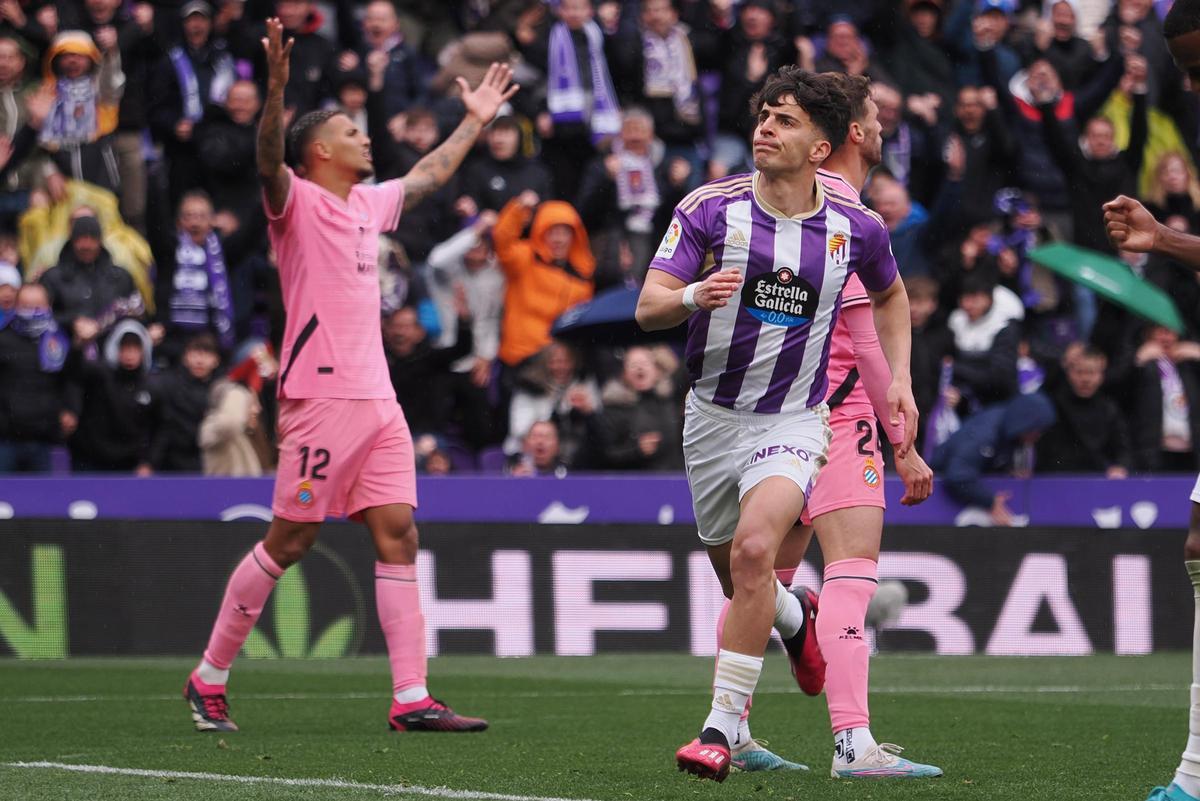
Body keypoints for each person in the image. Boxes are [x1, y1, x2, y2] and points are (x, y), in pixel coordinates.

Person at [182, 18, 514, 735]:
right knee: (291, 539)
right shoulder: (295, 201)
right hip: (321, 398)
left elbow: (426, 176)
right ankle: (208, 676)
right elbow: (269, 157)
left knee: (398, 533)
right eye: (352, 132)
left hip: (378, 401)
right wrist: (273, 92)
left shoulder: (369, 204)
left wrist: (472, 121)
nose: (367, 138)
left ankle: (411, 697)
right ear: (320, 152)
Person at [635, 66, 918, 782]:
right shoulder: (709, 207)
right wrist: (695, 294)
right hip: (711, 421)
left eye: (786, 120)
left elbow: (890, 297)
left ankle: (719, 730)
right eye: (764, 115)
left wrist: (902, 382)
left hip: (795, 418)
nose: (765, 127)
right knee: (745, 580)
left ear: (822, 147)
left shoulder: (855, 226)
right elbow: (648, 306)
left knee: (757, 549)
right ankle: (796, 619)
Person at [712, 71, 940, 777]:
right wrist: (901, 438)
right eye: (874, 113)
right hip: (832, 410)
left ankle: (738, 726)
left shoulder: (808, 201)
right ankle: (852, 742)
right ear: (853, 134)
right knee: (853, 572)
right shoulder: (841, 214)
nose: (880, 123)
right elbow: (867, 334)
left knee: (760, 581)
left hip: (772, 413)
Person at [0, 282, 70, 473]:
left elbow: (71, 381)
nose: (32, 312)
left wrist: (70, 409)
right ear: (16, 307)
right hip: (6, 440)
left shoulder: (60, 341)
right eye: (26, 306)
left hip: (45, 441)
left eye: (38, 306)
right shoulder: (3, 340)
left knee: (45, 500)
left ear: (49, 306)